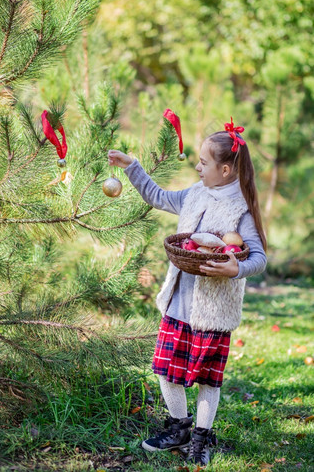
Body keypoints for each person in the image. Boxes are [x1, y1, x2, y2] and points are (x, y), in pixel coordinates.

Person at [107, 118, 267, 466]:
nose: (197, 166)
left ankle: (201, 437)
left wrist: (234, 268)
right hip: (179, 300)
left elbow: (258, 257)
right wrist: (131, 166)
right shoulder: (194, 194)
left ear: (225, 169)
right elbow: (158, 196)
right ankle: (178, 427)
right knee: (166, 368)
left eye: (204, 162)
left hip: (213, 310)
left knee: (208, 377)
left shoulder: (240, 208)